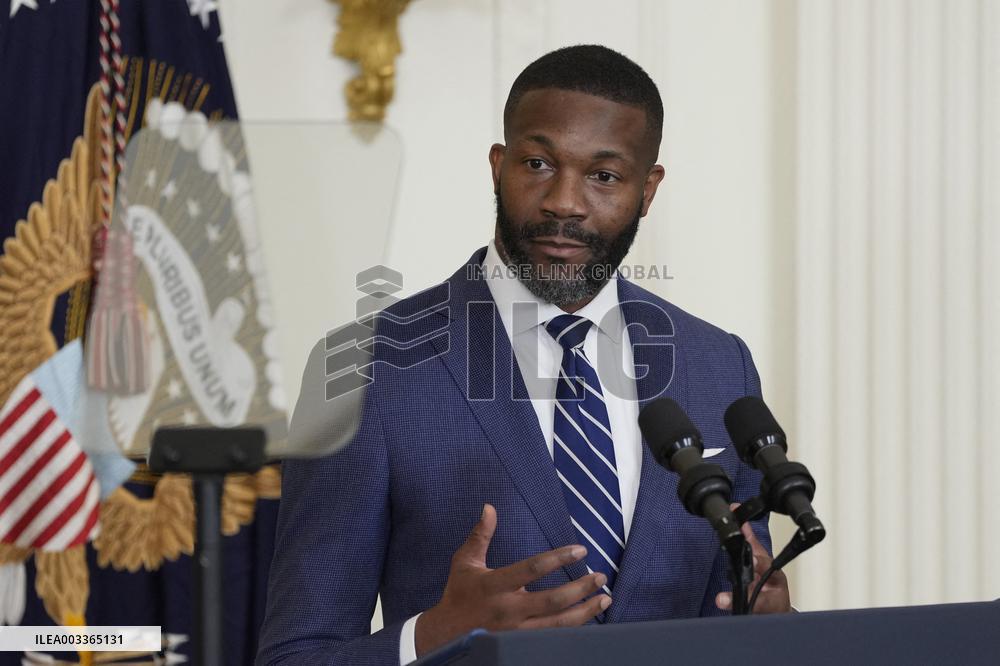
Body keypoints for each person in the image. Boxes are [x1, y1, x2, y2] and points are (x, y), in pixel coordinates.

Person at [256, 44, 791, 666]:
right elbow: (296, 655)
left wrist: (775, 629)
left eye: (604, 176)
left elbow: (738, 611)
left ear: (648, 190)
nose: (564, 201)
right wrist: (430, 636)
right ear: (498, 165)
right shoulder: (365, 368)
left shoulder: (719, 366)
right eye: (538, 163)